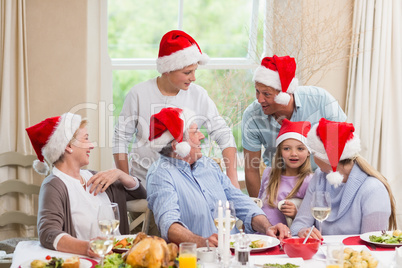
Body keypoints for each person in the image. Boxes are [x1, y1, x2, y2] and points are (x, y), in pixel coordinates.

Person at [146, 107, 290, 247]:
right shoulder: (160, 175)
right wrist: (203, 242)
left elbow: (241, 202)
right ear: (178, 145)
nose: (202, 136)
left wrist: (267, 227)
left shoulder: (208, 165)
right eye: (195, 132)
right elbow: (168, 224)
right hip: (198, 258)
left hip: (232, 253)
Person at [113, 30, 239, 189]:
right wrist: (127, 182)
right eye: (187, 72)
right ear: (167, 69)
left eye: (195, 71)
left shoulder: (198, 95)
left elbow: (223, 133)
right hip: (145, 184)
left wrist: (232, 178)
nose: (193, 78)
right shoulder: (138, 94)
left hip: (186, 185)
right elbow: (120, 138)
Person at [26, 113, 146, 257]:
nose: (91, 145)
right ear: (69, 146)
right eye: (86, 138)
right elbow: (48, 233)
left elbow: (140, 195)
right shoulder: (54, 185)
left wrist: (121, 174)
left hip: (119, 260)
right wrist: (88, 248)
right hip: (86, 261)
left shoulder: (95, 177)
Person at [241, 55, 347, 197]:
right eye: (257, 91)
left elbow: (344, 151)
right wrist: (258, 212)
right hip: (279, 186)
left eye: (266, 94)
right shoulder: (252, 116)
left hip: (322, 183)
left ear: (284, 94)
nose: (260, 99)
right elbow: (251, 169)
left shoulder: (321, 100)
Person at [290, 118, 396, 238]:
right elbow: (298, 224)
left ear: (326, 157)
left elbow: (372, 243)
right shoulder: (319, 177)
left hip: (355, 255)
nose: (312, 157)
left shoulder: (374, 190)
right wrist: (302, 231)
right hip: (320, 254)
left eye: (314, 152)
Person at [258, 119, 313, 227]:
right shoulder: (269, 173)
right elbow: (259, 203)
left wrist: (296, 214)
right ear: (280, 151)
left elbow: (310, 218)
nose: (293, 154)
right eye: (287, 148)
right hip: (262, 234)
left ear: (308, 152)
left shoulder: (309, 180)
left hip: (286, 237)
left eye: (300, 149)